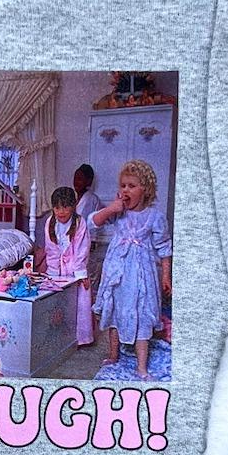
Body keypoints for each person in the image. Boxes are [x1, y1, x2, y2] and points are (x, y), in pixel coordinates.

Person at [88, 159, 173, 379]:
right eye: (123, 185)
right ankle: (113, 355)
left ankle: (141, 367)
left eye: (132, 186)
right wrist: (111, 208)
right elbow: (92, 222)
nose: (125, 190)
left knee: (142, 313)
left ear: (145, 190)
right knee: (115, 309)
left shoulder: (155, 217)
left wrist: (166, 276)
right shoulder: (118, 211)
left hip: (141, 274)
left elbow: (164, 248)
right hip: (117, 272)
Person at [44, 186, 95, 347]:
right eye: (57, 207)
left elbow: (82, 250)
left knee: (81, 302)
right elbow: (51, 249)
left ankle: (82, 338)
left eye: (65, 207)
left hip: (75, 267)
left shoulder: (80, 223)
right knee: (57, 302)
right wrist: (52, 273)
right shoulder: (50, 223)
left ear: (73, 206)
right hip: (57, 268)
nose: (61, 212)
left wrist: (80, 274)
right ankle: (60, 336)